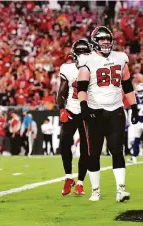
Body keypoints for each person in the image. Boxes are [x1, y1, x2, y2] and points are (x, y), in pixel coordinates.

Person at [77, 26, 139, 202]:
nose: (106, 42)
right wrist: (83, 106)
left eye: (108, 39)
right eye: (102, 39)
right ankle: (95, 190)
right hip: (95, 111)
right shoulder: (87, 60)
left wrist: (133, 106)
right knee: (94, 152)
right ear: (95, 41)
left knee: (117, 150)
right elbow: (81, 87)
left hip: (116, 110)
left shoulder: (120, 58)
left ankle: (121, 189)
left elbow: (127, 85)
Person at [57, 39, 90, 196]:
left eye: (85, 53)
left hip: (86, 111)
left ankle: (81, 182)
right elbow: (61, 92)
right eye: (81, 53)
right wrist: (62, 109)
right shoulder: (68, 68)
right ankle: (68, 177)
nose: (83, 56)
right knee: (64, 143)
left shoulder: (93, 68)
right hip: (71, 109)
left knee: (85, 148)